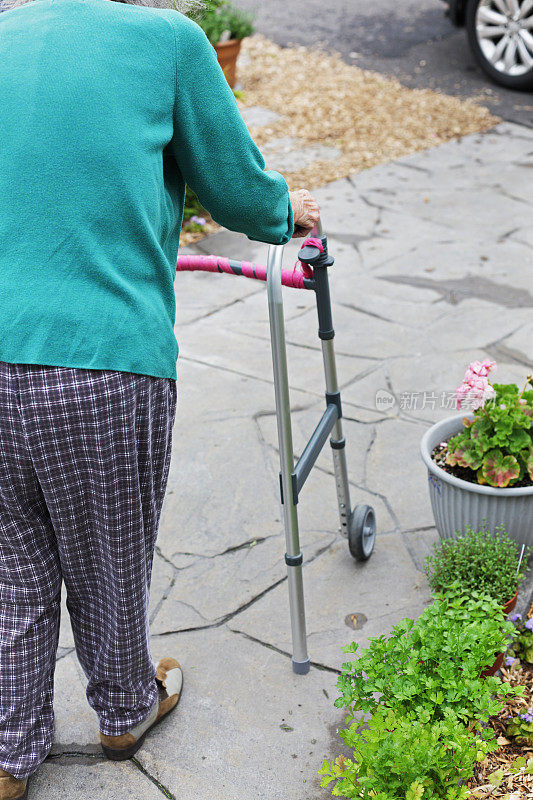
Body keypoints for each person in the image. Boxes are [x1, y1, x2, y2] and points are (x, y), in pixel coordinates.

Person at [0, 0, 320, 797]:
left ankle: (9, 754)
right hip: (103, 360)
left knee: (12, 570)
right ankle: (122, 709)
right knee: (107, 557)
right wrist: (288, 211)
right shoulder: (168, 41)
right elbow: (236, 189)